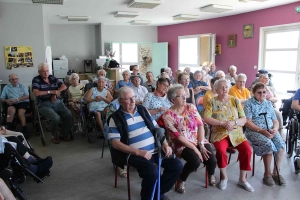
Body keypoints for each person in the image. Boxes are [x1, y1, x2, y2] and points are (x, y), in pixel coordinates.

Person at [108, 86, 183, 200]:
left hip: (155, 149)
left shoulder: (142, 110)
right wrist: (138, 152)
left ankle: (157, 192)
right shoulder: (115, 118)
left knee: (177, 165)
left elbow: (156, 128)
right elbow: (115, 143)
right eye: (129, 99)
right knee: (152, 173)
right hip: (133, 153)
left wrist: (165, 144)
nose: (133, 101)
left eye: (134, 97)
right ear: (120, 101)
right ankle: (147, 197)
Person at [162, 84, 217, 194]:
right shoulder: (167, 115)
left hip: (197, 138)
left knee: (212, 159)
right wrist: (196, 149)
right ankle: (181, 179)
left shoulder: (191, 107)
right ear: (172, 99)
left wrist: (201, 144)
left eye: (184, 95)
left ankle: (211, 174)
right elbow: (178, 137)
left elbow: (200, 125)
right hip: (181, 143)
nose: (184, 98)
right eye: (181, 96)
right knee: (195, 161)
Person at [203, 79, 254, 192]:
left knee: (247, 150)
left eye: (226, 87)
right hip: (219, 134)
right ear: (216, 89)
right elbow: (206, 118)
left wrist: (234, 122)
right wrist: (222, 123)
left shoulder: (235, 100)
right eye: (222, 87)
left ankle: (242, 179)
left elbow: (244, 119)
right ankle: (224, 177)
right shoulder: (212, 102)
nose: (225, 89)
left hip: (236, 133)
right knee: (221, 151)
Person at [244, 83, 286, 187]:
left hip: (270, 130)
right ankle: (267, 174)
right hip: (254, 131)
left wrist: (275, 130)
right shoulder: (249, 103)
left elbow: (275, 120)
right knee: (268, 145)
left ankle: (276, 173)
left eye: (264, 92)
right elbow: (248, 122)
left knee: (281, 146)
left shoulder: (268, 103)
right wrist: (261, 130)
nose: (262, 94)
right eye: (259, 92)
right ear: (254, 93)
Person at [32, 63, 72, 144]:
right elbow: (36, 93)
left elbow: (64, 86)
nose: (46, 73)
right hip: (44, 104)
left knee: (68, 114)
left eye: (47, 71)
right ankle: (54, 136)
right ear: (39, 72)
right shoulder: (36, 80)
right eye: (43, 71)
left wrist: (55, 93)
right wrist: (50, 91)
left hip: (57, 101)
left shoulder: (52, 77)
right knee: (55, 118)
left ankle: (64, 134)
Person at [256, 74, 284, 138]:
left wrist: (270, 99)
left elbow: (276, 98)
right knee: (276, 113)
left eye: (267, 78)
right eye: (265, 78)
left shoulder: (270, 88)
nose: (267, 79)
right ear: (260, 79)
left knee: (277, 113)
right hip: (261, 106)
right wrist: (265, 99)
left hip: (271, 105)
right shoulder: (256, 87)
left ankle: (280, 131)